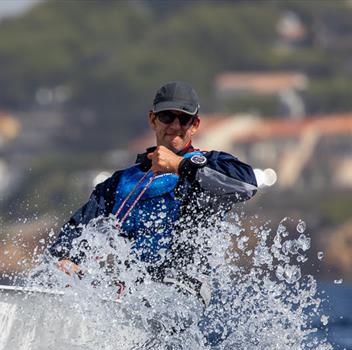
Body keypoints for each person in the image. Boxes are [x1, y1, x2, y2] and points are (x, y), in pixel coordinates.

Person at [48, 81, 258, 300]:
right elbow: (82, 225)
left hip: (183, 292)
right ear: (153, 119)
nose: (175, 125)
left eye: (184, 119)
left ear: (194, 125)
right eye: (167, 117)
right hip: (129, 293)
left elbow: (248, 185)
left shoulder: (210, 163)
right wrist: (67, 256)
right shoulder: (121, 181)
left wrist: (180, 166)